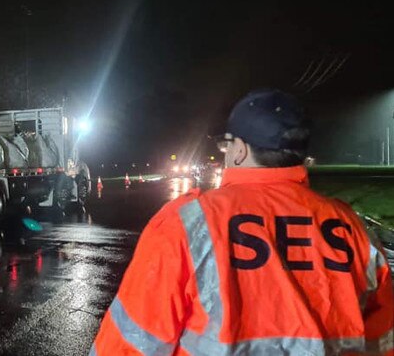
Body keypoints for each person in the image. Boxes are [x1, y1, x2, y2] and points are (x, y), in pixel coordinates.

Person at [89, 89, 393, 356]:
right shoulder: (352, 229)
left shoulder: (187, 224)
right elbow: (384, 340)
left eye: (227, 145)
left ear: (241, 150)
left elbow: (131, 343)